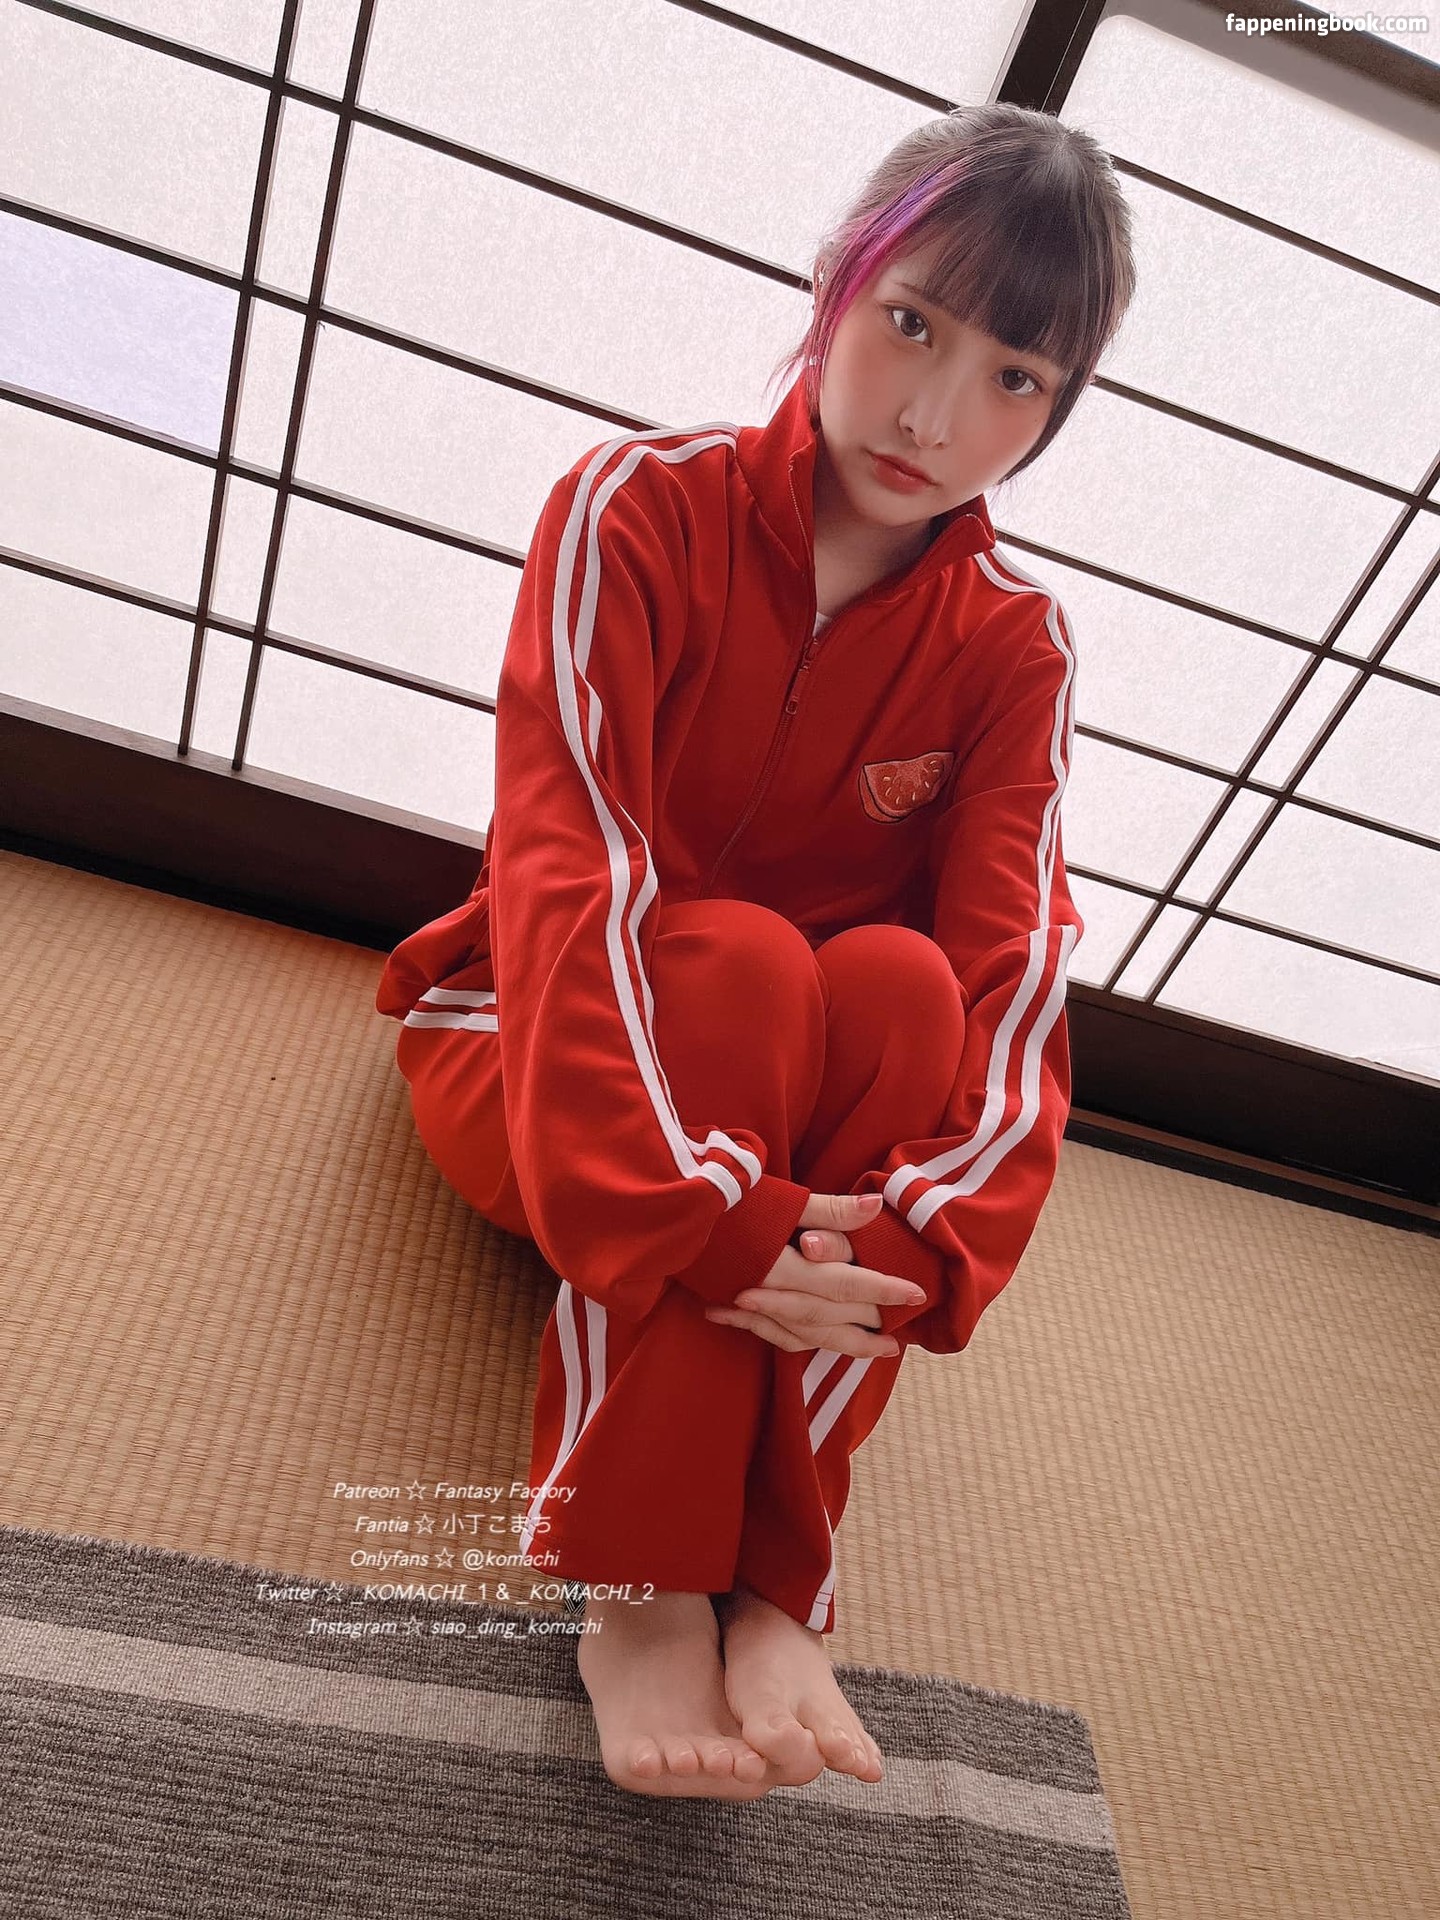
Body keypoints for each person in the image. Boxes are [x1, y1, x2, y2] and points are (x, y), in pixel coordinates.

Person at [375, 101, 1135, 1802]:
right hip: (533, 1055)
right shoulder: (633, 508)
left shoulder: (1015, 645)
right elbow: (565, 874)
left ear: (1059, 405)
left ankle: (779, 1586)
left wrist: (930, 1240)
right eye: (911, 323)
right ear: (837, 279)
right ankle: (645, 1586)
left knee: (900, 987)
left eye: (1015, 376)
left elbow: (1014, 969)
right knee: (744, 966)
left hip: (791, 1125)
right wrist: (697, 1213)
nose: (936, 416)